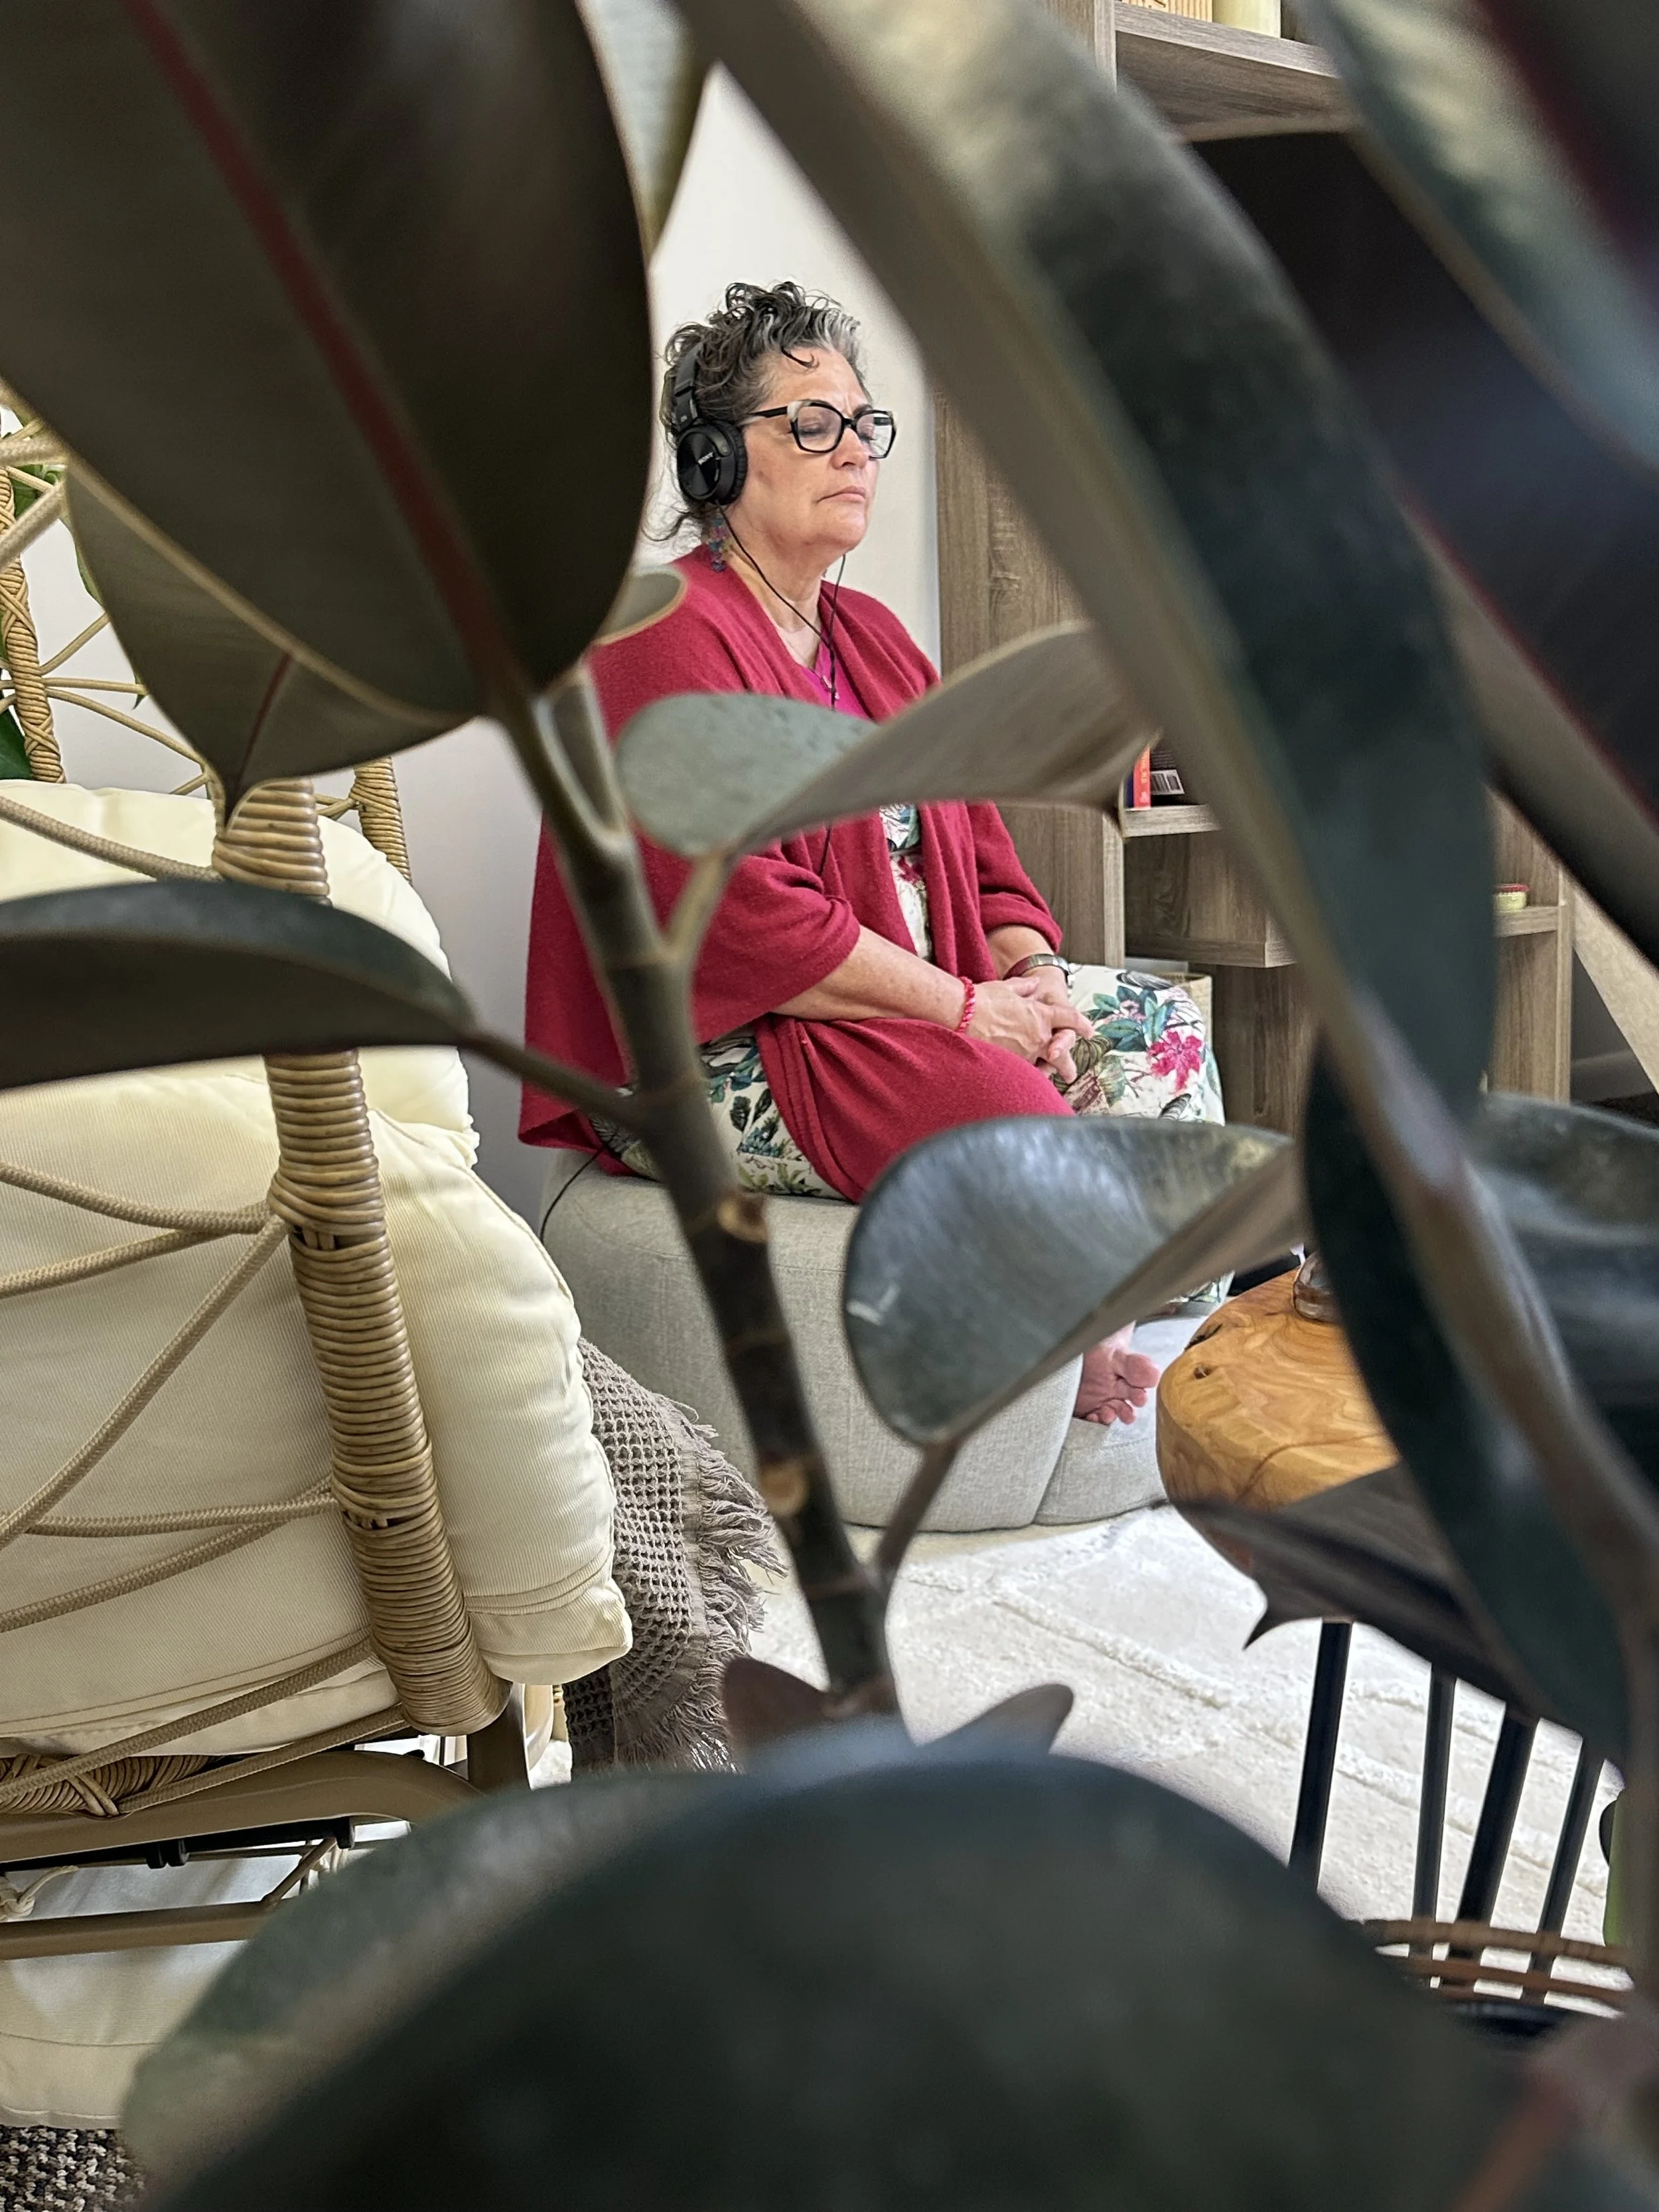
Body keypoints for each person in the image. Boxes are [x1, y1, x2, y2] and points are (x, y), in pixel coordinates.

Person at [522, 282, 1223, 1424]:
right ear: (713, 458)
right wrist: (968, 1014)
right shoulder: (659, 636)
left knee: (1158, 1029)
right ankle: (1085, 1342)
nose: (854, 451)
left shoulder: (879, 641)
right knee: (1005, 1103)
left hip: (906, 1004)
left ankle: (1131, 1318)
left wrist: (1035, 980)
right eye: (813, 423)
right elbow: (737, 913)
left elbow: (985, 854)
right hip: (721, 1040)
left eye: (864, 424)